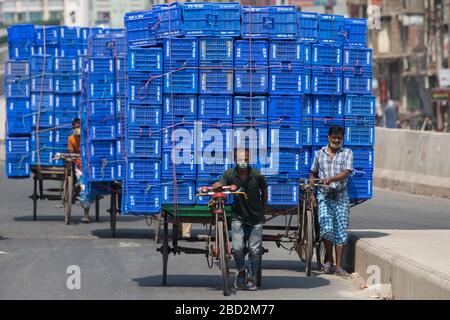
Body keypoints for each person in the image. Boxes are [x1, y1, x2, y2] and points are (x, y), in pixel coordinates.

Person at [213, 148, 268, 291]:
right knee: (237, 248)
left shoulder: (257, 175)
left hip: (255, 217)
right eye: (240, 159)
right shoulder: (230, 174)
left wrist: (263, 210)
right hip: (238, 216)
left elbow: (264, 190)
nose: (243, 162)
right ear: (236, 160)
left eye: (245, 159)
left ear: (249, 160)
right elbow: (221, 183)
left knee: (255, 250)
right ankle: (241, 271)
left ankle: (251, 277)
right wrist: (218, 185)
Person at [310, 125, 353, 278]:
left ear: (342, 139)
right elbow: (313, 172)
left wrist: (332, 179)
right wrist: (312, 190)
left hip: (341, 195)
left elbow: (346, 172)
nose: (336, 140)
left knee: (341, 230)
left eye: (339, 138)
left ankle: (339, 266)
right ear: (328, 137)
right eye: (334, 137)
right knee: (326, 227)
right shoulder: (319, 154)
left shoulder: (347, 153)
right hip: (324, 195)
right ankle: (330, 258)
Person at [68, 118, 91, 223]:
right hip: (78, 165)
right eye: (75, 127)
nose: (76, 129)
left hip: (89, 164)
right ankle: (86, 213)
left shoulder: (87, 138)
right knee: (83, 186)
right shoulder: (71, 139)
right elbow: (71, 153)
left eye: (78, 127)